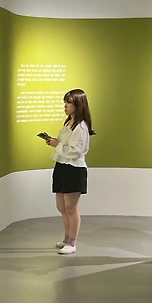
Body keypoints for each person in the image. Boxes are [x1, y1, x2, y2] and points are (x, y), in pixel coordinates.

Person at [39, 88, 93, 256]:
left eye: (68, 103)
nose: (65, 106)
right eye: (65, 103)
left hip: (74, 169)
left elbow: (76, 151)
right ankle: (66, 238)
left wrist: (57, 145)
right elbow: (65, 145)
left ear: (78, 105)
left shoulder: (81, 127)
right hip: (61, 166)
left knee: (71, 208)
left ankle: (72, 242)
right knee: (61, 206)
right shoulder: (68, 123)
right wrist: (55, 143)